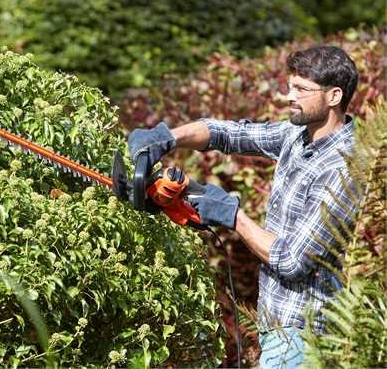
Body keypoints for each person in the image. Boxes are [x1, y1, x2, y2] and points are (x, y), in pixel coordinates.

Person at [127, 46, 359, 368]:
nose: (289, 96)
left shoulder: (343, 168)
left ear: (334, 96)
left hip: (303, 334)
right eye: (290, 86)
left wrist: (231, 214)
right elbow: (228, 134)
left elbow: (292, 259)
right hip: (278, 324)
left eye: (301, 89)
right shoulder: (298, 136)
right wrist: (167, 138)